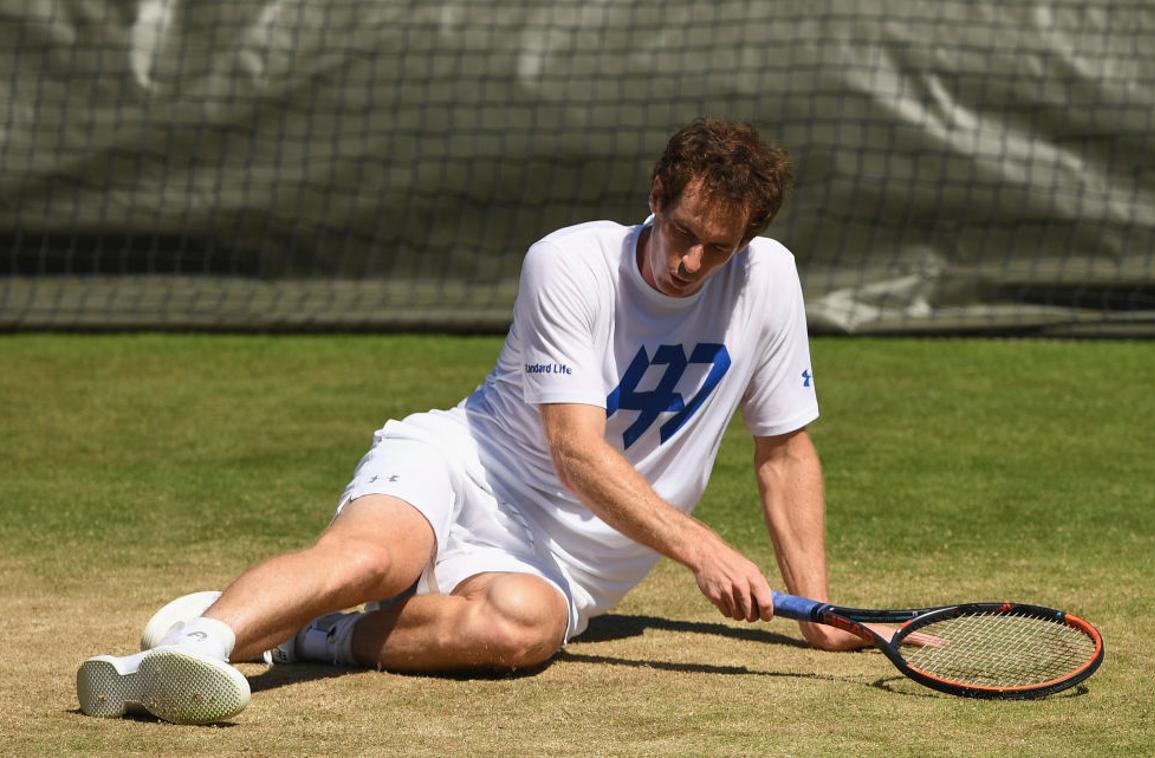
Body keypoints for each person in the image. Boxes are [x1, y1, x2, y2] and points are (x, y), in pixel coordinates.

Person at [76, 118, 868, 726]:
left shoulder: (769, 282)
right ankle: (193, 649)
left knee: (515, 635)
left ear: (748, 241)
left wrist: (823, 613)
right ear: (655, 194)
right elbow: (575, 453)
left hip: (570, 559)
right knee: (371, 563)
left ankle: (295, 636)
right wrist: (701, 548)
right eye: (682, 233)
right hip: (468, 465)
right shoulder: (568, 261)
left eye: (717, 249)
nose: (690, 263)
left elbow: (784, 450)